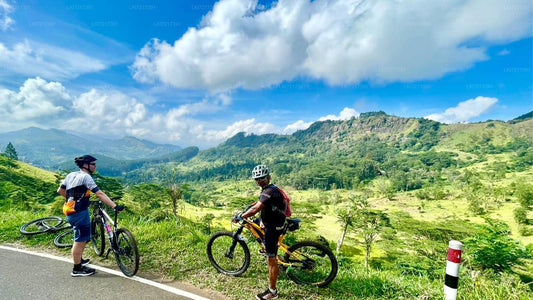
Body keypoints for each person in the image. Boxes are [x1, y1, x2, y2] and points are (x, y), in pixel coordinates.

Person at [57, 155, 123, 277]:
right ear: (85, 165)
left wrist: (74, 199)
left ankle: (79, 261)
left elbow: (60, 191)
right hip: (79, 213)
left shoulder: (70, 175)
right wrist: (114, 206)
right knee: (80, 240)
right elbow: (99, 193)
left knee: (81, 237)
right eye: (93, 164)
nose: (95, 166)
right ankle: (77, 269)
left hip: (70, 210)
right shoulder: (86, 177)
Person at [239, 164, 287, 300]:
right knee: (255, 222)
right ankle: (266, 246)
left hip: (273, 227)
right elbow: (260, 204)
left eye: (262, 178)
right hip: (272, 220)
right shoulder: (269, 189)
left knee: (271, 259)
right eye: (257, 179)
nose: (259, 180)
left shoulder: (269, 192)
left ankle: (272, 292)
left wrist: (241, 216)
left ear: (268, 177)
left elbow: (256, 208)